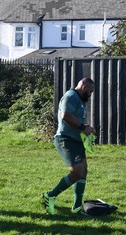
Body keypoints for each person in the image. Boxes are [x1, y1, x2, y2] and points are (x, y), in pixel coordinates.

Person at [42, 77, 96, 215]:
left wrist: (87, 129)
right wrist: (83, 127)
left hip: (76, 140)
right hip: (65, 140)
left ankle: (77, 207)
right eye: (89, 91)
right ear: (83, 87)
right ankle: (50, 196)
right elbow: (65, 115)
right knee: (77, 171)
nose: (90, 94)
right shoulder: (71, 96)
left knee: (83, 171)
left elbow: (77, 120)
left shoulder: (79, 100)